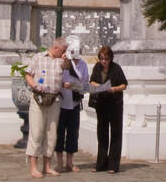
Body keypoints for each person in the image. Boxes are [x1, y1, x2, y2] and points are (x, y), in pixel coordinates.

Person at [24, 38, 68, 179]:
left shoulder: (62, 61)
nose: (64, 53)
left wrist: (66, 59)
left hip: (54, 99)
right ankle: (33, 167)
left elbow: (68, 67)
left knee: (51, 134)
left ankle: (47, 166)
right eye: (63, 50)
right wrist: (36, 86)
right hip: (39, 98)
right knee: (36, 132)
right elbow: (28, 75)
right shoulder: (38, 58)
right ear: (56, 48)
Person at [89, 45, 128, 173]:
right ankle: (101, 163)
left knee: (116, 133)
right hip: (102, 104)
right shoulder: (97, 68)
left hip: (115, 103)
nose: (103, 61)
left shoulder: (116, 69)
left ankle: (113, 164)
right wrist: (99, 86)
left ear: (110, 58)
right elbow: (92, 81)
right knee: (102, 133)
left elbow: (124, 85)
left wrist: (114, 89)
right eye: (101, 59)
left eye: (105, 59)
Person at [55, 42, 89, 173]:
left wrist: (74, 86)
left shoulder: (83, 65)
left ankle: (70, 162)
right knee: (59, 133)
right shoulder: (61, 64)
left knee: (73, 133)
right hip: (61, 103)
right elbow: (54, 80)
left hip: (74, 103)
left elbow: (86, 85)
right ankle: (59, 162)